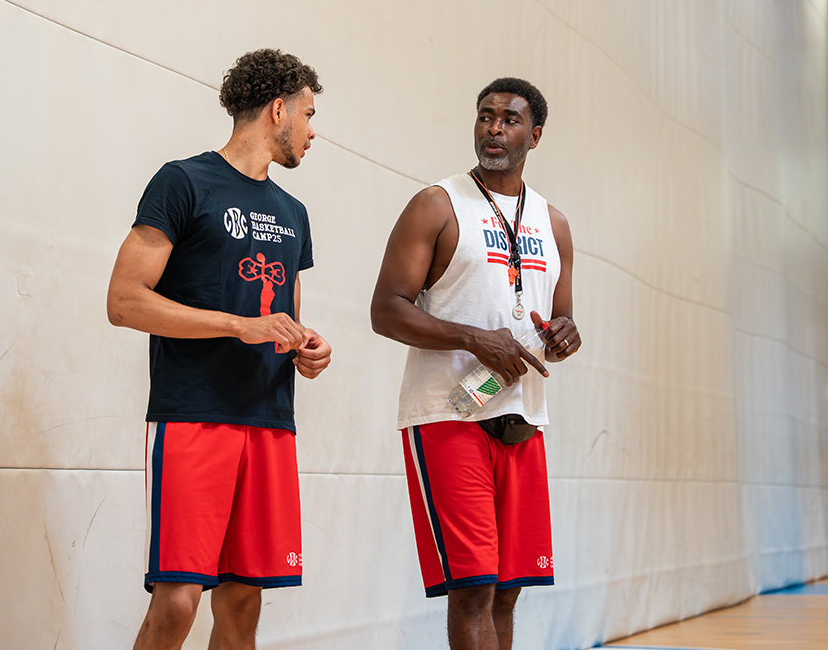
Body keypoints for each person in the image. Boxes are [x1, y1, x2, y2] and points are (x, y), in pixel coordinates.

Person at [106, 48, 331, 650]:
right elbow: (124, 302)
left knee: (241, 603)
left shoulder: (293, 213)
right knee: (178, 599)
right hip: (192, 416)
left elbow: (287, 318)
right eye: (309, 115)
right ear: (278, 109)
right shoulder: (183, 181)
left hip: (268, 420)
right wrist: (236, 326)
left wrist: (306, 346)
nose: (314, 132)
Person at [370, 77, 580, 649]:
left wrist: (565, 335)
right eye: (485, 116)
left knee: (510, 587)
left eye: (509, 120)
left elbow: (559, 319)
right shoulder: (436, 204)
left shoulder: (553, 223)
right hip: (448, 415)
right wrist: (473, 339)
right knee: (473, 588)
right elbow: (385, 310)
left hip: (522, 419)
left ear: (534, 136)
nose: (494, 128)